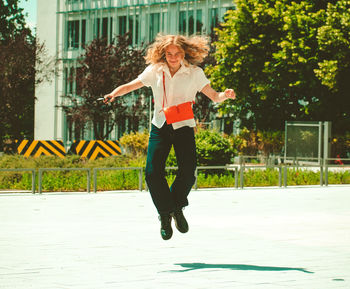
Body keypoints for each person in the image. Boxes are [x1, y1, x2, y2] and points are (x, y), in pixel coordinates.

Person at [103, 34, 236, 240]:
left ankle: (177, 207)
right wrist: (114, 93)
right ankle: (166, 215)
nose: (173, 58)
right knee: (152, 172)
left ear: (184, 53)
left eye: (177, 54)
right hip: (161, 125)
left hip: (183, 126)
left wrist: (225, 95)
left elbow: (213, 95)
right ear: (163, 53)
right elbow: (131, 85)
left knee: (188, 173)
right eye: (169, 54)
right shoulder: (155, 71)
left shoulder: (194, 73)